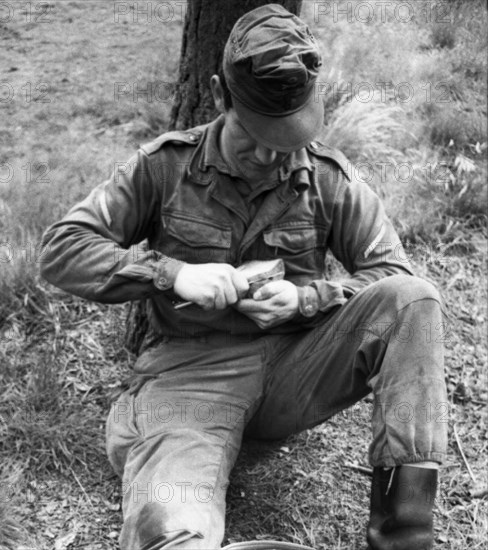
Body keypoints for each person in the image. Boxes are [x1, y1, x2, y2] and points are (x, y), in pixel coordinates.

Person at [40, 5, 448, 549]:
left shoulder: (327, 179)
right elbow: (62, 249)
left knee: (414, 299)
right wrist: (173, 274)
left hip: (296, 371)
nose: (268, 155)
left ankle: (403, 536)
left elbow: (392, 272)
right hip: (191, 376)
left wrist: (307, 299)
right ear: (217, 95)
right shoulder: (164, 167)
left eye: (286, 139)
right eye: (253, 134)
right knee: (171, 527)